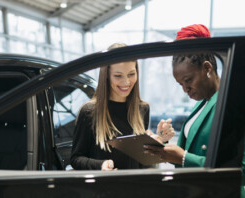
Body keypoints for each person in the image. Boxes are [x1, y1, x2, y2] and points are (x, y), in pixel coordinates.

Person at [144, 24, 245, 198]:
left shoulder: (230, 106)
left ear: (207, 68)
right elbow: (195, 151)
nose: (185, 89)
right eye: (180, 84)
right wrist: (163, 147)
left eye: (188, 80)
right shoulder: (203, 104)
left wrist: (184, 157)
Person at [70, 43, 175, 171]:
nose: (126, 82)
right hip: (103, 188)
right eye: (118, 76)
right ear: (106, 76)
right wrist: (100, 165)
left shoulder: (142, 109)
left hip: (134, 187)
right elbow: (76, 159)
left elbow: (143, 161)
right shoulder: (89, 112)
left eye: (131, 74)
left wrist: (159, 141)